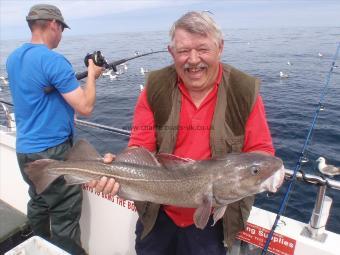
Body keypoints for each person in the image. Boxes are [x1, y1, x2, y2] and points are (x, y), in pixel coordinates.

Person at [94, 11, 275, 255]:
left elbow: (262, 151)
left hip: (214, 221)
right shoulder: (155, 87)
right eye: (183, 51)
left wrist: (265, 175)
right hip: (158, 212)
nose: (193, 59)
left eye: (203, 49)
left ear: (220, 48)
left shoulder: (244, 91)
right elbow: (140, 146)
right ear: (171, 53)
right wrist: (117, 169)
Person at [6, 4, 104, 254]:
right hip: (53, 151)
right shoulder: (53, 60)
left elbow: (39, 91)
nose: (61, 34)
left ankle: (37, 245)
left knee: (38, 202)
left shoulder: (13, 58)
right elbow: (85, 107)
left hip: (25, 149)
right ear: (53, 24)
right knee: (64, 212)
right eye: (61, 28)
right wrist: (92, 75)